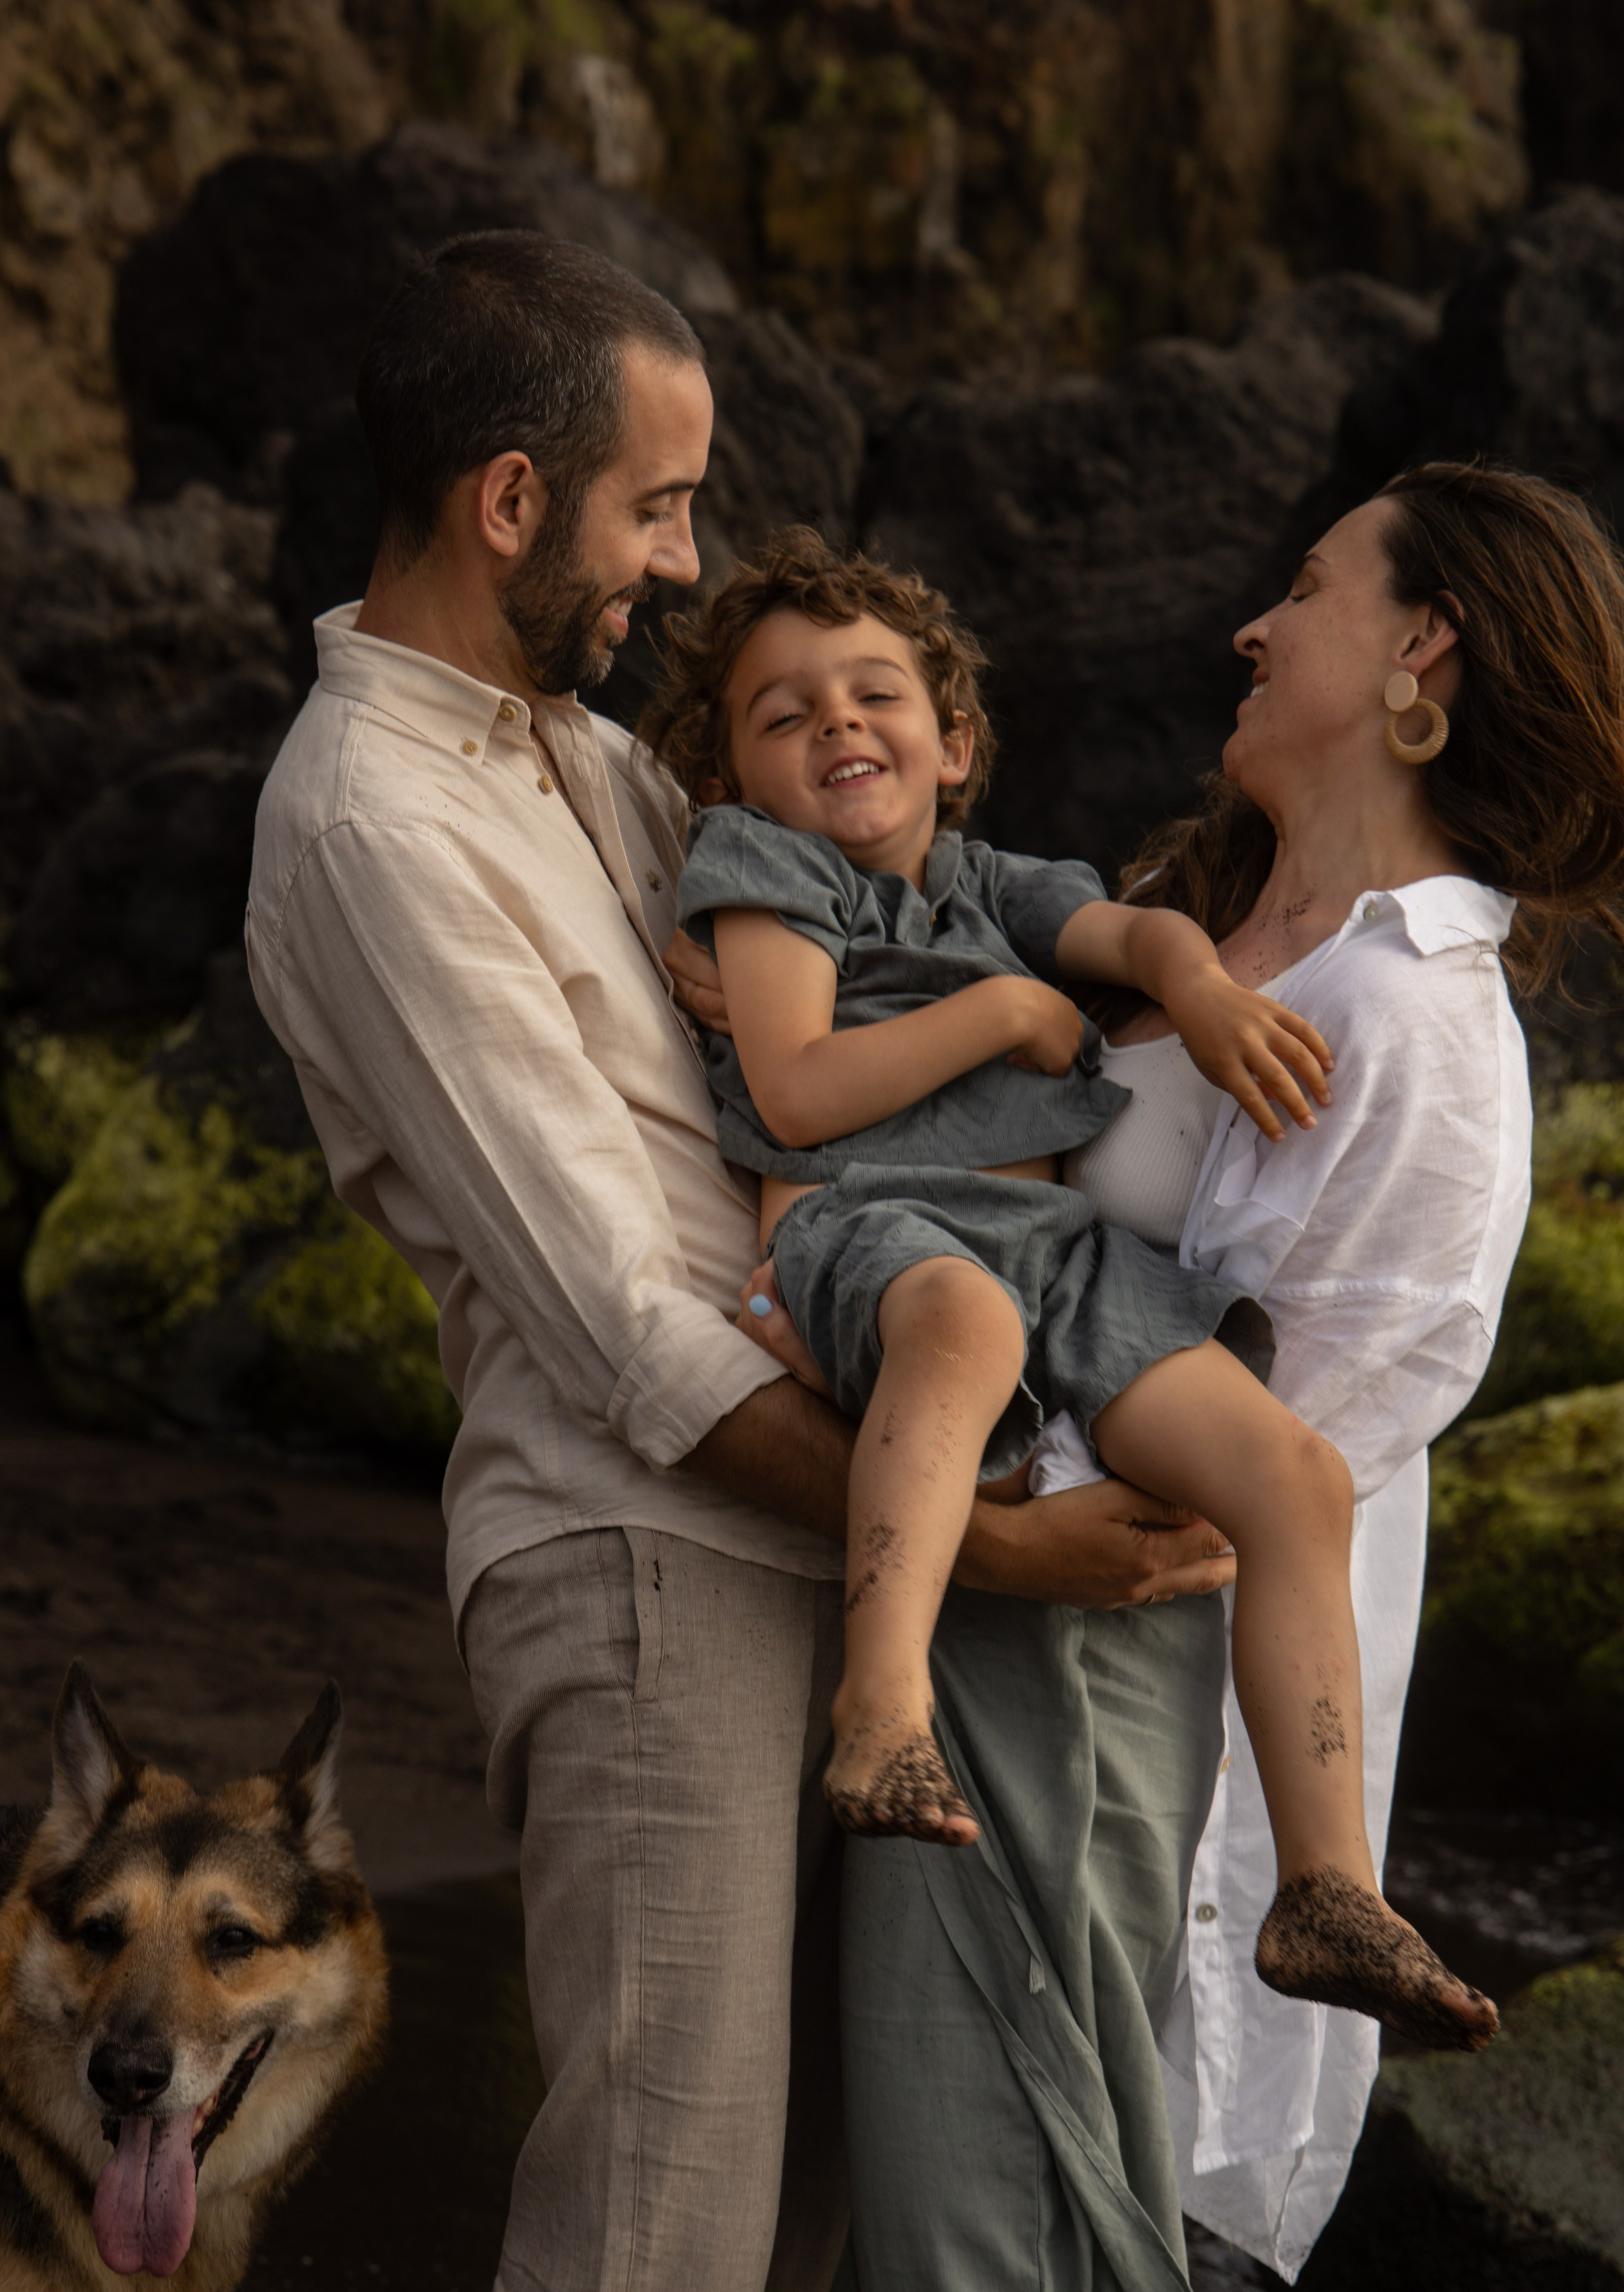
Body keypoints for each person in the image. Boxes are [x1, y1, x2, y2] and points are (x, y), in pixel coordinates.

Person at [244, 226, 1238, 2292]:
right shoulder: (372, 827)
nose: (683, 565)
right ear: (510, 501)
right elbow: (624, 1326)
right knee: (664, 2224)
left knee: (812, 2219)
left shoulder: (602, 765)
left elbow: (878, 975)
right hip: (644, 1558)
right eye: (659, 506)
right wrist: (995, 1546)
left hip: (829, 1541)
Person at [677, 461, 1624, 2286]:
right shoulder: (1210, 921)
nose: (1250, 628)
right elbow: (904, 1100)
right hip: (990, 1685)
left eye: (1308, 588)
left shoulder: (1411, 1016)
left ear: (1422, 647)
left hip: (1139, 1784)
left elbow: (1245, 1483)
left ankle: (1329, 1898)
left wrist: (896, 1436)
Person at [639, 526, 1496, 2050]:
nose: (836, 723)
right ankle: (881, 1710)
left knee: (1294, 1479)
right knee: (964, 1324)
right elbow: (796, 1084)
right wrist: (1000, 1013)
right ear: (730, 775)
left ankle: (1325, 1886)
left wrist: (1198, 988)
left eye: (874, 695)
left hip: (1052, 1255)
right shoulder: (763, 871)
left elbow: (1135, 926)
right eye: (783, 714)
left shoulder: (989, 882)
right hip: (869, 1231)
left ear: (954, 744)